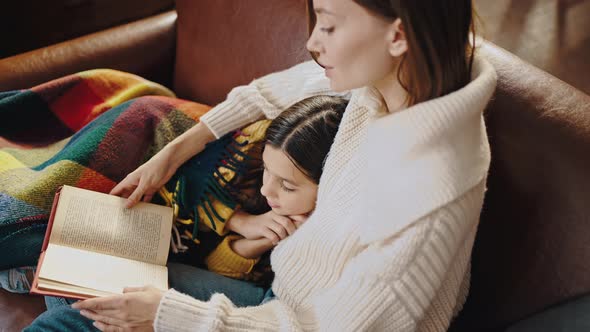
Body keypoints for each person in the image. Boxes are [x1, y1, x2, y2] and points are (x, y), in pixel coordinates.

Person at [27, 0, 498, 331]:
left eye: (329, 25)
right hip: (282, 299)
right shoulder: (382, 88)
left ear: (398, 35)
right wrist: (170, 155)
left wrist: (166, 317)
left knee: (78, 316)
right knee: (85, 283)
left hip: (298, 320)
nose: (313, 42)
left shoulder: (427, 193)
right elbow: (263, 94)